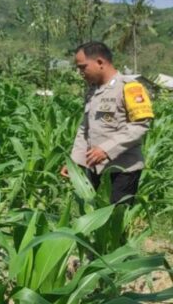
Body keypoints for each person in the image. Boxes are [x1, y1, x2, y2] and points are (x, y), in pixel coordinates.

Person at [60, 41, 153, 204]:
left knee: (115, 222)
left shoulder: (130, 87)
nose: (80, 72)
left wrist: (106, 149)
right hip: (95, 168)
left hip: (122, 170)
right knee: (94, 215)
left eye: (83, 67)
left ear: (100, 62)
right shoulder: (93, 91)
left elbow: (139, 126)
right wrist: (75, 161)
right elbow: (85, 129)